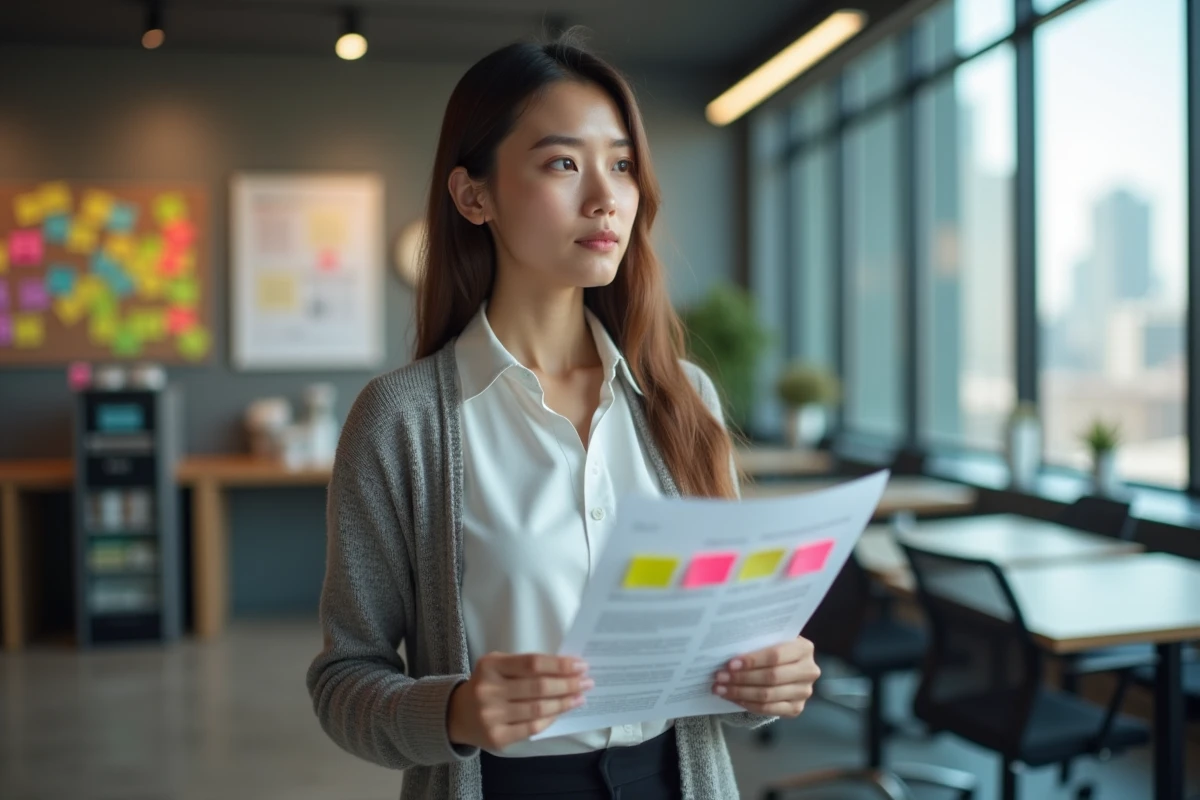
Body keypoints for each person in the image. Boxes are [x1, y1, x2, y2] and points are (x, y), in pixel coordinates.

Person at [306, 32, 821, 800]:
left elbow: (727, 648)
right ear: (473, 196)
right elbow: (344, 679)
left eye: (622, 165)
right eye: (562, 164)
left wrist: (768, 679)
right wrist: (455, 711)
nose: (605, 196)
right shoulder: (400, 421)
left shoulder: (684, 399)